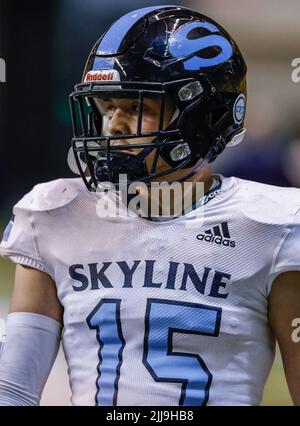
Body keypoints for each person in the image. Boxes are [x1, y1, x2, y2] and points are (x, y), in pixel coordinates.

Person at [0, 4, 300, 406]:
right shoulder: (54, 216)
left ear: (203, 117)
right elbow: (12, 391)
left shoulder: (272, 226)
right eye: (108, 108)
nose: (115, 126)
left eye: (137, 107)